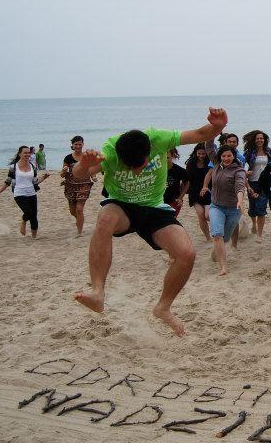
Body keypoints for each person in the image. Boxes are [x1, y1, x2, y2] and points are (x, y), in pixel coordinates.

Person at [70, 108, 228, 336]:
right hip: (122, 206)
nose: (136, 171)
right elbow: (79, 173)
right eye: (131, 167)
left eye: (140, 165)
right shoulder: (111, 150)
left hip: (155, 208)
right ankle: (97, 292)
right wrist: (85, 164)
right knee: (104, 219)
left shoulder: (159, 139)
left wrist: (218, 126)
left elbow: (200, 134)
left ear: (150, 151)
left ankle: (163, 307)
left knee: (187, 254)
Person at [202, 144, 247, 275]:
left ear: (234, 156)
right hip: (216, 206)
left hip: (234, 208)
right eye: (224, 156)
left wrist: (240, 199)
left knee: (225, 237)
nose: (226, 158)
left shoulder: (239, 171)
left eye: (229, 156)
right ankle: (223, 267)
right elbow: (209, 147)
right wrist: (215, 127)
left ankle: (216, 250)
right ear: (220, 157)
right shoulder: (216, 163)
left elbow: (239, 186)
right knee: (217, 234)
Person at [0, 145, 51, 238]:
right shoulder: (13, 167)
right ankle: (23, 221)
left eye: (29, 153)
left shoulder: (33, 166)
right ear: (20, 154)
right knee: (29, 213)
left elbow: (35, 182)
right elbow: (8, 182)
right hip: (19, 194)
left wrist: (44, 177)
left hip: (32, 193)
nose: (27, 154)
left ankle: (34, 237)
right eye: (25, 153)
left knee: (34, 216)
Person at [61, 136, 95, 236]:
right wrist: (63, 170)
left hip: (84, 185)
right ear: (72, 145)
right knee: (73, 211)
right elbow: (62, 175)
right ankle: (79, 219)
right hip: (70, 186)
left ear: (83, 144)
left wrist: (94, 176)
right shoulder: (68, 158)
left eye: (80, 144)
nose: (78, 146)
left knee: (79, 209)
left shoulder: (86, 157)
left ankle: (79, 232)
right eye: (76, 144)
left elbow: (92, 169)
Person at [242, 130, 271, 240]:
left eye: (261, 138)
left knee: (262, 207)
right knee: (253, 206)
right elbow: (241, 164)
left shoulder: (268, 151)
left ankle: (259, 234)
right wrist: (244, 173)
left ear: (264, 140)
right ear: (254, 140)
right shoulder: (250, 152)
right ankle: (254, 224)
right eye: (257, 138)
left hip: (265, 183)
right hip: (252, 182)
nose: (260, 140)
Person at [185, 143, 212, 242]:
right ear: (195, 152)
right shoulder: (191, 163)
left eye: (203, 154)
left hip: (208, 190)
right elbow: (187, 179)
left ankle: (218, 228)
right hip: (194, 193)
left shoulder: (210, 162)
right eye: (199, 153)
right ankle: (208, 237)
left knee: (208, 215)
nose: (201, 156)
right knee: (201, 215)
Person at [163, 148, 189, 215]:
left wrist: (180, 198)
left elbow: (187, 183)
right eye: (162, 158)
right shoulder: (156, 170)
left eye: (167, 158)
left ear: (173, 156)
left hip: (174, 201)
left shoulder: (179, 170)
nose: (164, 160)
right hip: (159, 201)